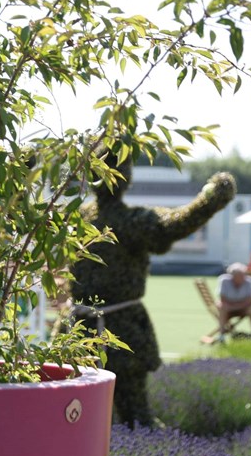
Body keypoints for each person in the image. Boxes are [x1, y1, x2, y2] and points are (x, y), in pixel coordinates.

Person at [69, 153, 236, 427]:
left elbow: (33, 218)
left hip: (87, 328)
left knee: (74, 416)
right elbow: (172, 225)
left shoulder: (77, 220)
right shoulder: (126, 220)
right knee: (133, 415)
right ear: (127, 180)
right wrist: (211, 199)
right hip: (111, 329)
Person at [216, 262, 251, 341]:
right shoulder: (224, 281)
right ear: (232, 276)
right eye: (238, 276)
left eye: (243, 275)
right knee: (222, 307)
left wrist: (236, 306)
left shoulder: (249, 281)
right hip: (228, 308)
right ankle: (221, 335)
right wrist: (233, 306)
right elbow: (223, 299)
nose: (241, 278)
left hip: (242, 308)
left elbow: (250, 301)